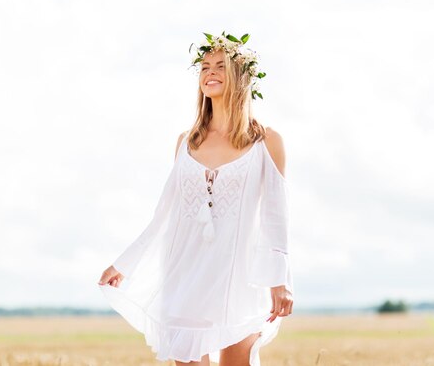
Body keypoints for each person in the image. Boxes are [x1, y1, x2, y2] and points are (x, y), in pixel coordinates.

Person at [97, 31, 294, 366]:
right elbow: (164, 214)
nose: (210, 71)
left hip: (238, 277)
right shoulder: (186, 143)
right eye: (204, 66)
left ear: (242, 78)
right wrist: (124, 263)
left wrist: (279, 280)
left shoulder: (266, 142)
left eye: (220, 65)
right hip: (184, 274)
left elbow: (276, 216)